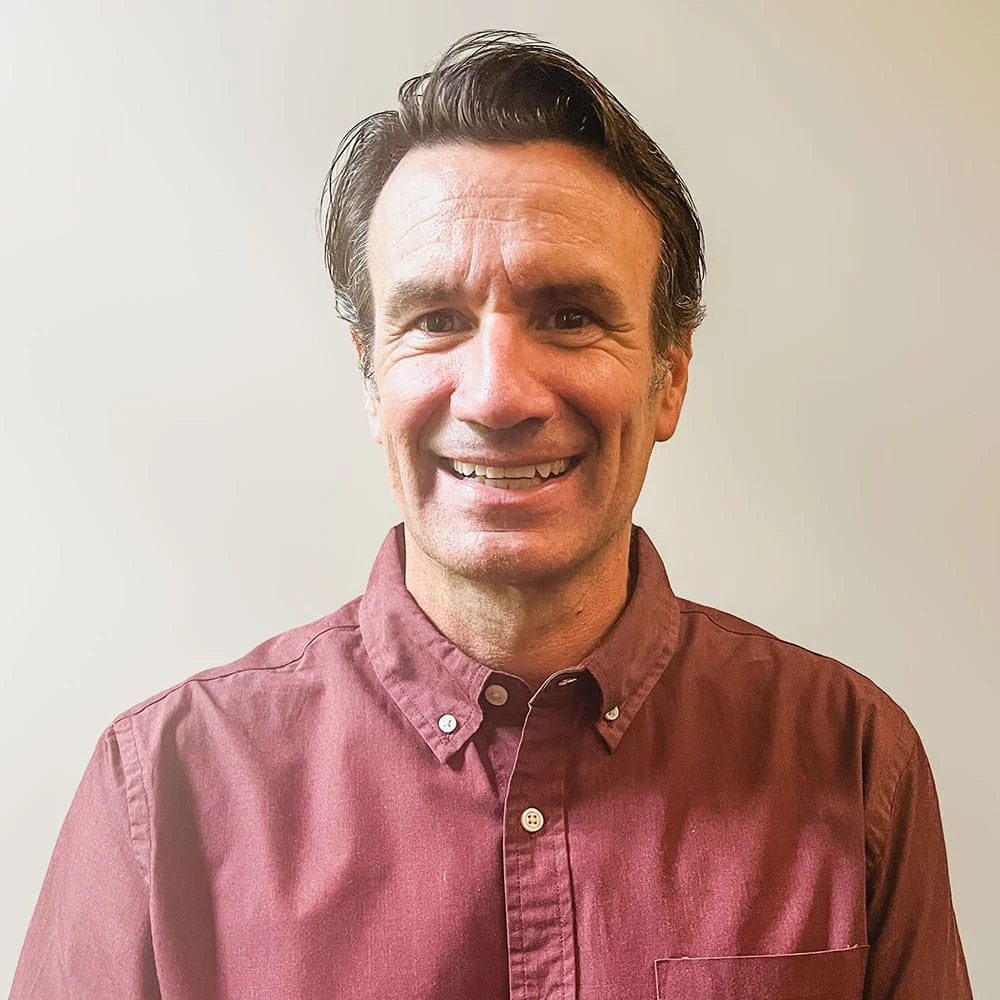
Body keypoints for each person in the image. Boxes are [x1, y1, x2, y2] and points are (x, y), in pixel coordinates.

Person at [11, 29, 972, 1000]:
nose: (497, 394)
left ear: (670, 376)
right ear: (370, 379)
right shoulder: (165, 789)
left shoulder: (851, 761)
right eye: (435, 320)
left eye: (570, 316)